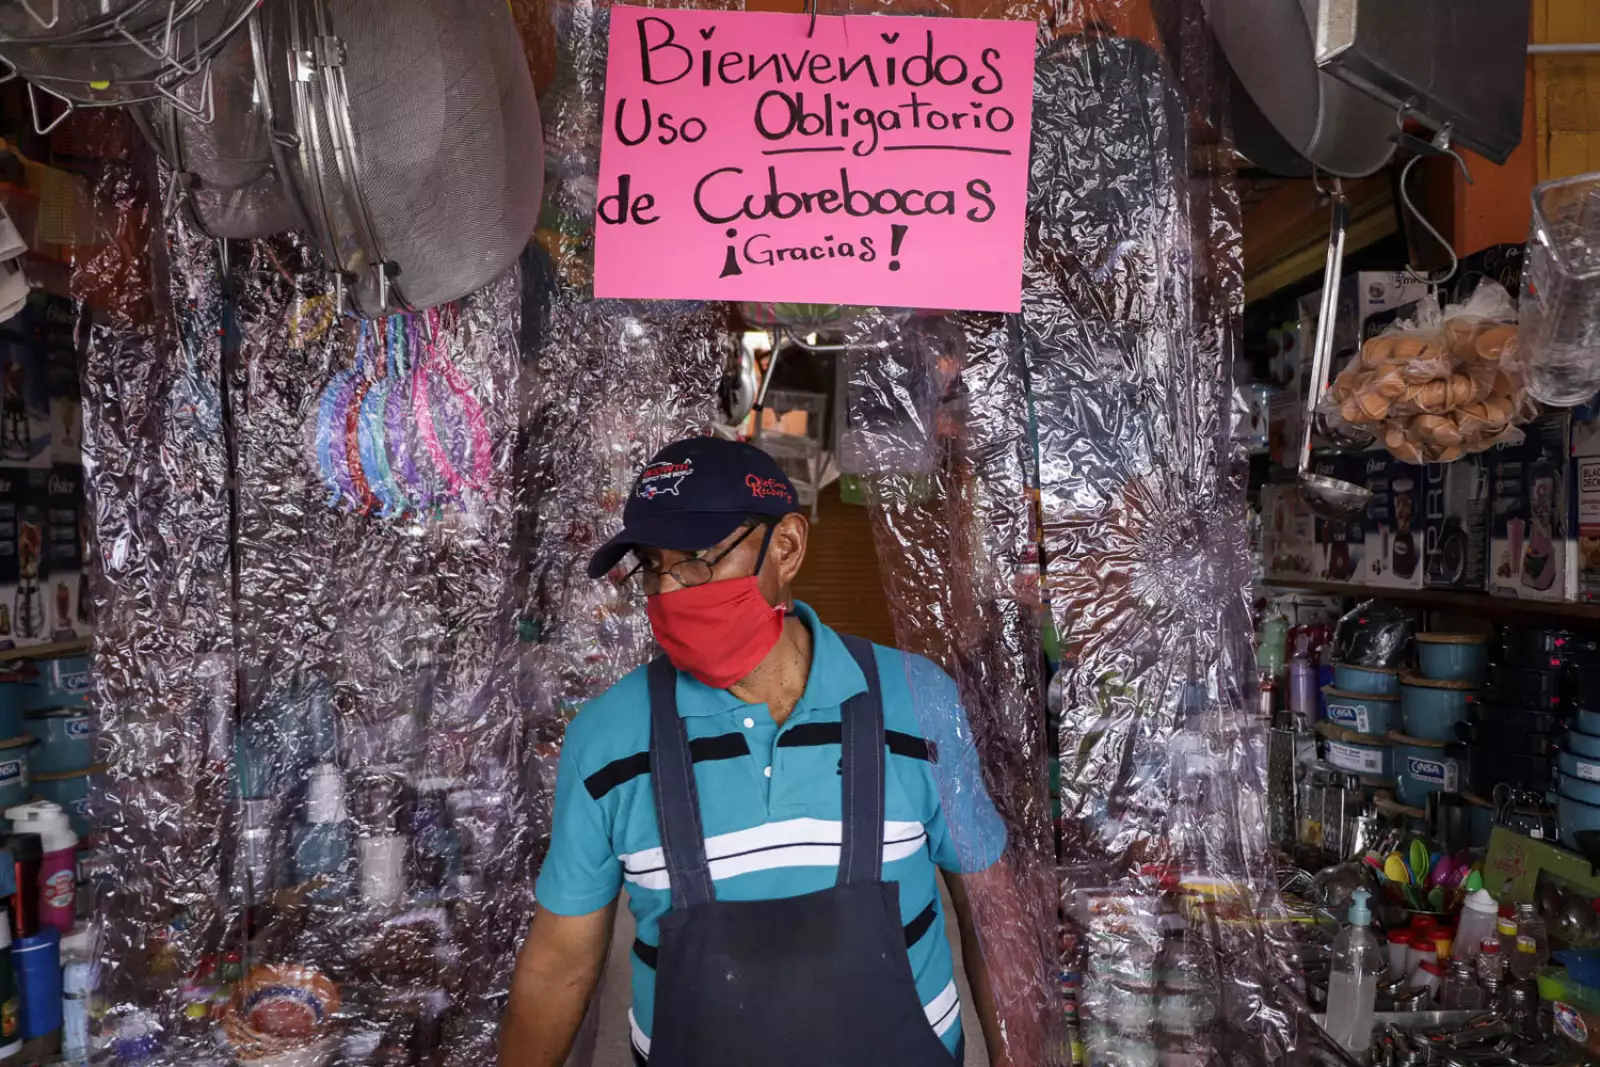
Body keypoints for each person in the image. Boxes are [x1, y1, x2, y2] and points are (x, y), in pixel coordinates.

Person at [500, 436, 1009, 1067]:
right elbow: (559, 964)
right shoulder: (605, 740)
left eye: (695, 559)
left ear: (786, 547)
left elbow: (992, 914)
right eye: (653, 567)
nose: (671, 591)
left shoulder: (918, 701)